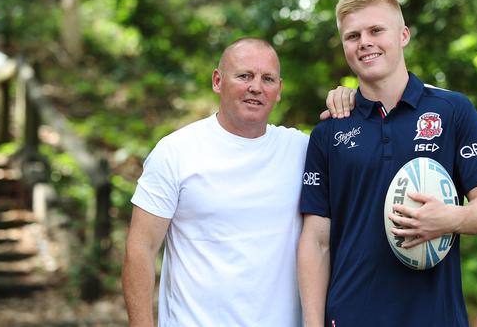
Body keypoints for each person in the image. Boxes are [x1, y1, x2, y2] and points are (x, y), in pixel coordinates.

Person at [298, 0, 477, 326]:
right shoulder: (327, 133)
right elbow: (317, 240)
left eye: (376, 30)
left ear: (403, 34)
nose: (364, 41)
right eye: (352, 35)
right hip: (351, 315)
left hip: (435, 316)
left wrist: (448, 218)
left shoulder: (452, 110)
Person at [122, 37, 355, 327]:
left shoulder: (303, 150)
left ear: (279, 90)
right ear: (218, 81)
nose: (256, 87)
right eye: (244, 75)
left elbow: (362, 173)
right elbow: (140, 247)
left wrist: (353, 103)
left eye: (267, 79)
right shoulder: (176, 152)